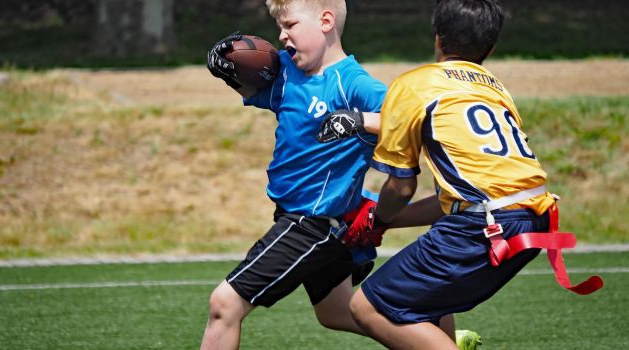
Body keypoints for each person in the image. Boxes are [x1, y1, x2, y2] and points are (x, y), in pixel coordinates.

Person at [320, 0, 599, 349]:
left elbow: (402, 186)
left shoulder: (415, 84)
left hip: (485, 225)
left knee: (368, 307)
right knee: (420, 306)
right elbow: (455, 201)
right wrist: (390, 222)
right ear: (491, 47)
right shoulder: (495, 88)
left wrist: (378, 217)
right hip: (531, 218)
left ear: (438, 37)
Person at [199, 1, 388, 349]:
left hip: (311, 224)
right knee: (337, 314)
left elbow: (407, 118)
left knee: (224, 305)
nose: (282, 35)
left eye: (290, 24)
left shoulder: (353, 84)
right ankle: (432, 336)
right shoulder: (286, 71)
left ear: (326, 21)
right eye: (279, 26)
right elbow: (254, 89)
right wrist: (229, 70)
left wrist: (360, 120)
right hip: (295, 216)